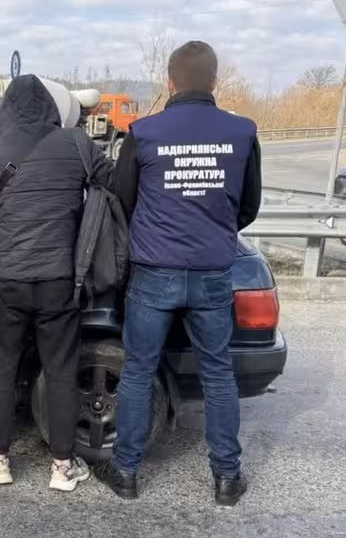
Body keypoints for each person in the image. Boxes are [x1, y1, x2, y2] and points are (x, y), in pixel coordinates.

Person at [94, 41, 261, 507]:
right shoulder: (242, 132)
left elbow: (123, 200)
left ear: (169, 82)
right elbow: (248, 206)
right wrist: (212, 231)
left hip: (154, 272)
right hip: (212, 270)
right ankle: (227, 478)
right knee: (218, 374)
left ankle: (126, 472)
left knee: (138, 371)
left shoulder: (144, 132)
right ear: (213, 81)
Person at [0, 75, 111, 492]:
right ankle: (63, 467)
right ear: (49, 106)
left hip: (7, 279)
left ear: (7, 108)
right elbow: (111, 181)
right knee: (61, 372)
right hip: (58, 279)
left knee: (2, 369)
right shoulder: (77, 143)